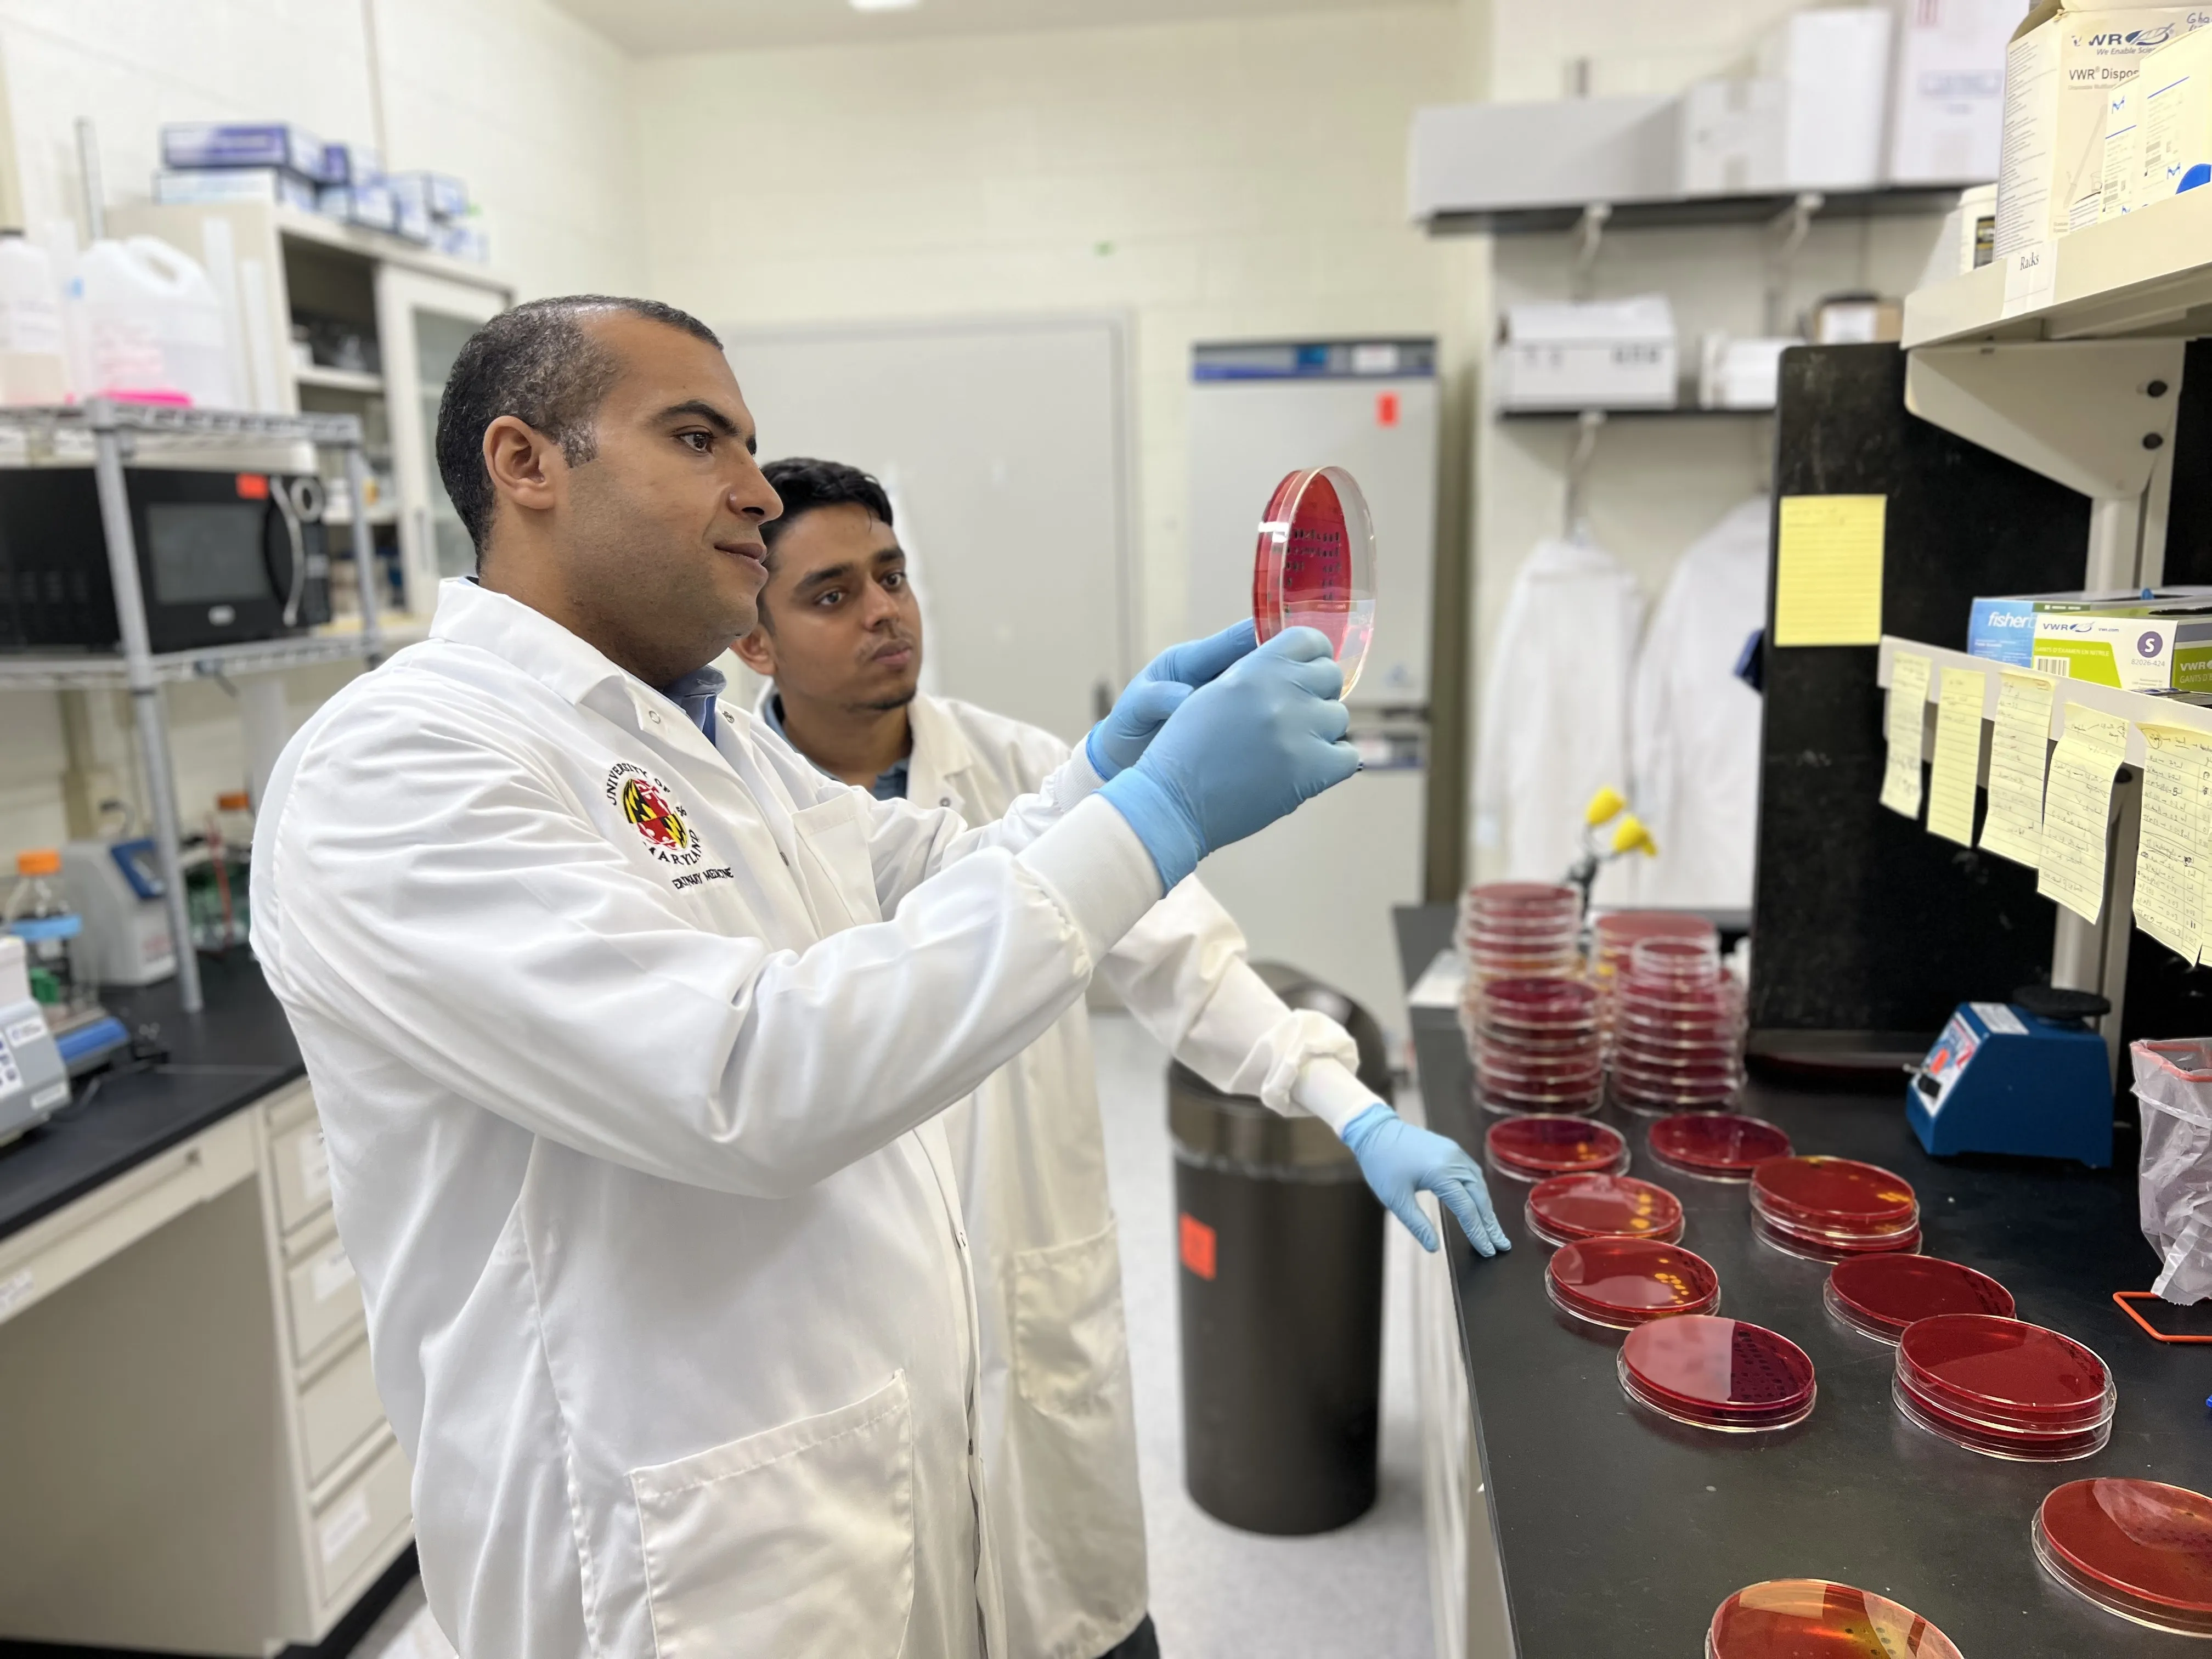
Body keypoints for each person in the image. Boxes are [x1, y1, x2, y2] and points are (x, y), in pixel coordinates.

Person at [244, 294, 1467, 1659]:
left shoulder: (711, 743)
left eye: (748, 445)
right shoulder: (401, 764)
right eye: (698, 438)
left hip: (861, 1507)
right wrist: (1156, 816)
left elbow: (924, 875)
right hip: (674, 1562)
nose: (757, 491)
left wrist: (1098, 781)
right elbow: (749, 1076)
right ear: (525, 463)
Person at [731, 456, 1508, 1659]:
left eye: (892, 575)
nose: (884, 611)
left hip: (1028, 1277)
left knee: (1079, 1613)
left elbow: (1183, 958)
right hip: (850, 1343)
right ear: (754, 642)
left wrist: (1354, 1109)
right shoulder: (738, 825)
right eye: (832, 594)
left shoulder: (1023, 767)